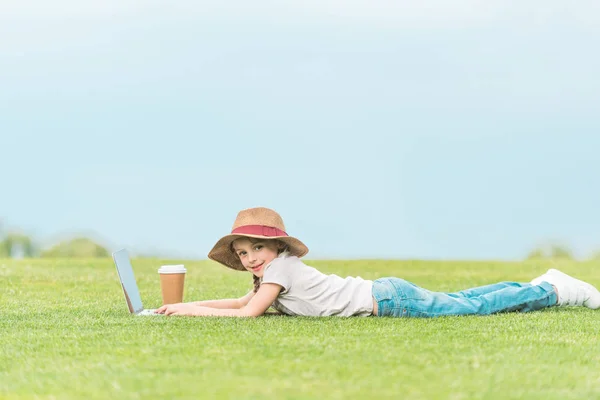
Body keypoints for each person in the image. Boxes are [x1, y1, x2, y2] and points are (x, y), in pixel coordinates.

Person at [155, 207, 600, 317]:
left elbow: (249, 314)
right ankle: (545, 282)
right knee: (462, 299)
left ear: (279, 249)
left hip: (389, 300)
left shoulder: (282, 270)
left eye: (258, 249)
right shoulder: (271, 273)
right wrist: (180, 307)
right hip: (387, 292)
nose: (250, 258)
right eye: (243, 252)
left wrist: (188, 309)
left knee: (470, 307)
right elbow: (240, 302)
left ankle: (556, 291)